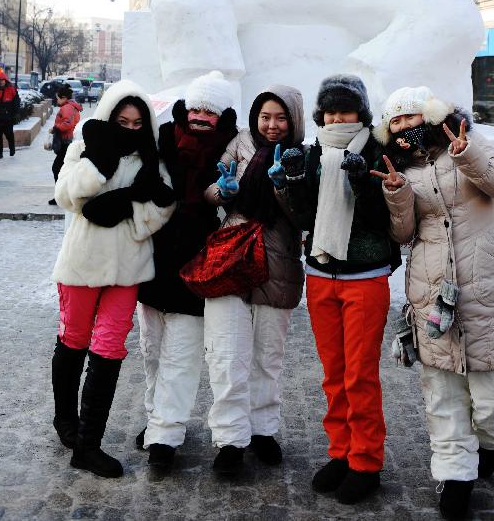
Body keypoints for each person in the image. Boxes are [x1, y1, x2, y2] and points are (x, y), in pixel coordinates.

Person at [373, 86, 494, 521]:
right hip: (431, 289)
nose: (404, 127)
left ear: (430, 115)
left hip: (486, 287)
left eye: (410, 117)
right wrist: (397, 194)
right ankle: (455, 474)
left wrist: (467, 155)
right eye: (395, 122)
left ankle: (488, 442)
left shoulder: (467, 142)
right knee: (442, 393)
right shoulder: (397, 167)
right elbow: (403, 234)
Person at [280, 74, 401, 505]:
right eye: (330, 111)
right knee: (333, 375)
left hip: (365, 278)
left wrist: (361, 181)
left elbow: (384, 221)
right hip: (320, 275)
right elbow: (303, 219)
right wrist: (293, 182)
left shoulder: (379, 153)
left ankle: (366, 461)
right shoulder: (314, 153)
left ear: (361, 114)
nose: (336, 117)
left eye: (344, 110)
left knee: (360, 375)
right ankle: (341, 452)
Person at [51, 79, 176, 478]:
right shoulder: (83, 147)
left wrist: (121, 204)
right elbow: (67, 196)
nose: (130, 128)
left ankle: (88, 445)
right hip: (81, 262)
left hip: (128, 266)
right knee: (74, 339)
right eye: (122, 120)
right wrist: (99, 168)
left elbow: (161, 210)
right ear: (109, 116)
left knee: (108, 347)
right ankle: (65, 421)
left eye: (138, 122)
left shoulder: (152, 160)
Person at [136, 71, 237, 472]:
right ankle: (154, 419)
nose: (200, 116)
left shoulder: (232, 147)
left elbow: (222, 196)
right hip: (153, 264)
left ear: (221, 116)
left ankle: (166, 435)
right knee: (151, 353)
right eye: (195, 107)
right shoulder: (161, 140)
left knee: (182, 355)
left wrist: (221, 194)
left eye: (209, 111)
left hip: (198, 266)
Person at [203, 85, 305, 476]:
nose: (273, 125)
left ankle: (263, 429)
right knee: (228, 356)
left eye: (281, 117)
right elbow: (213, 188)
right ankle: (230, 438)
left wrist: (284, 185)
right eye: (266, 116)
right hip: (231, 257)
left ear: (292, 119)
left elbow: (303, 216)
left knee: (268, 357)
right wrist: (222, 192)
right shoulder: (239, 143)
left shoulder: (303, 153)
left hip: (277, 264)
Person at [48, 85, 82, 205]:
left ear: (63, 98)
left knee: (57, 168)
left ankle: (61, 196)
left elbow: (67, 124)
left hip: (66, 142)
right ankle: (63, 195)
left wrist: (55, 127)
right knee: (62, 169)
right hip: (68, 142)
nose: (56, 101)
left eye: (57, 98)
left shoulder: (67, 108)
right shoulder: (71, 106)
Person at [0, 71, 20, 159]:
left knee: (9, 135)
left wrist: (16, 114)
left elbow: (16, 103)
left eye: (2, 80)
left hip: (8, 118)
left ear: (5, 81)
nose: (1, 82)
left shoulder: (12, 90)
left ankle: (12, 149)